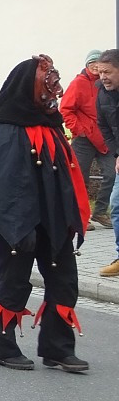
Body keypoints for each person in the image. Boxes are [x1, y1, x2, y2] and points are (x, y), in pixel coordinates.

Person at [0, 56, 90, 372]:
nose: (53, 91)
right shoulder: (8, 126)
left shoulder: (50, 123)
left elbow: (63, 174)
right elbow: (3, 181)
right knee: (13, 283)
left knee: (64, 281)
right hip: (19, 221)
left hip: (53, 219)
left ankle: (57, 348)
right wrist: (16, 228)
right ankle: (2, 346)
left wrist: (70, 217)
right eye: (46, 84)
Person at [61, 50, 113, 231]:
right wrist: (79, 130)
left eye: (98, 63)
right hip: (84, 139)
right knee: (79, 177)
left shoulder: (106, 83)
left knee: (112, 173)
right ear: (87, 65)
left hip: (105, 138)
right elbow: (66, 109)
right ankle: (79, 215)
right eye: (92, 63)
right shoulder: (78, 83)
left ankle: (100, 211)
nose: (96, 66)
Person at [96, 49, 119, 277]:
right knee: (117, 204)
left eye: (108, 72)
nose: (103, 77)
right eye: (100, 72)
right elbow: (104, 126)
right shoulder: (102, 93)